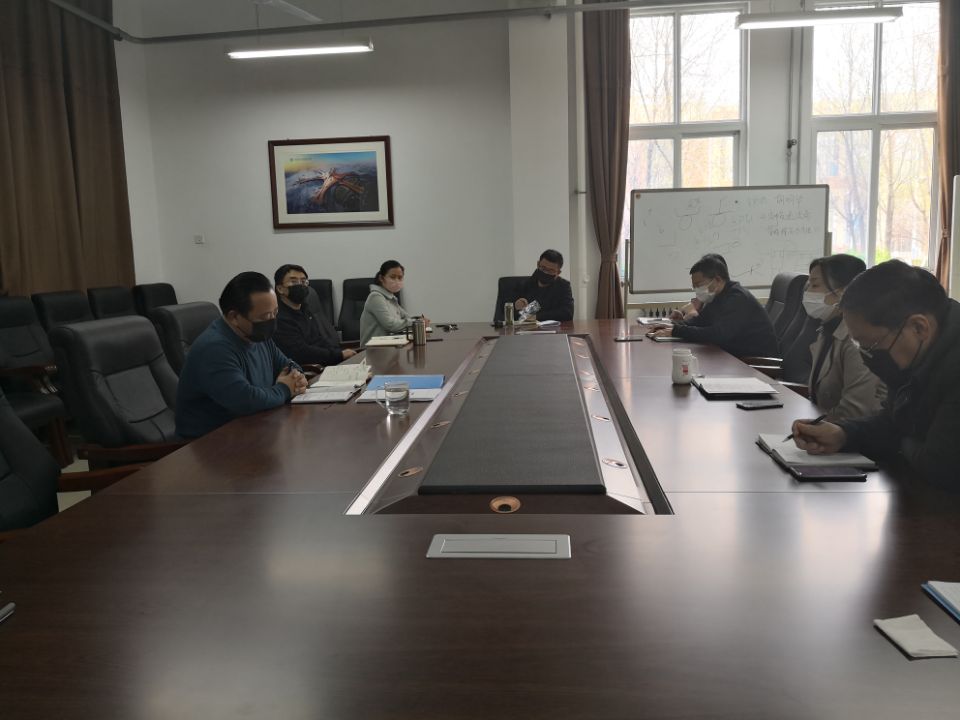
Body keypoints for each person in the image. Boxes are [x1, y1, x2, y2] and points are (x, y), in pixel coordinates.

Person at [792, 260, 960, 487]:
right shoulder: (915, 355)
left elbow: (940, 465)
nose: (868, 356)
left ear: (919, 327)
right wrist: (843, 435)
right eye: (859, 345)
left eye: (872, 345)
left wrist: (898, 438)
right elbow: (892, 421)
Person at [176, 271, 308, 439]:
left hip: (253, 428)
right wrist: (284, 388)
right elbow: (247, 400)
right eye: (266, 316)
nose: (272, 321)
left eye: (275, 313)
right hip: (209, 443)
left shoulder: (258, 336)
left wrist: (297, 377)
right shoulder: (214, 349)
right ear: (234, 317)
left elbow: (288, 366)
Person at [803, 254, 885, 421]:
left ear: (843, 292)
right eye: (808, 285)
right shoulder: (828, 328)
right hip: (825, 424)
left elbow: (855, 411)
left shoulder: (858, 339)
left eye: (815, 285)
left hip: (850, 432)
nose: (807, 292)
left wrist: (815, 427)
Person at [651, 255, 778, 357]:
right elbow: (700, 321)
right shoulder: (718, 296)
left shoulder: (738, 298)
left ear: (717, 280)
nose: (697, 290)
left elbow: (718, 334)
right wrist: (673, 325)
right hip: (733, 358)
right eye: (694, 287)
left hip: (756, 364)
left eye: (699, 285)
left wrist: (677, 330)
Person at [272, 263, 357, 367]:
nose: (300, 285)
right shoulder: (279, 318)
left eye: (303, 281)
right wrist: (338, 355)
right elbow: (301, 352)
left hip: (324, 362)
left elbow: (318, 339)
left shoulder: (305, 309)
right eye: (294, 281)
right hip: (306, 370)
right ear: (280, 288)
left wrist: (338, 352)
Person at [493, 249, 574, 323]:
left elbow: (567, 313)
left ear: (558, 273)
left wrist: (536, 316)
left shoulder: (563, 286)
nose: (546, 272)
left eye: (551, 271)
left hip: (553, 331)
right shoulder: (524, 285)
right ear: (538, 264)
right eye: (543, 268)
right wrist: (515, 306)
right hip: (524, 331)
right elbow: (507, 312)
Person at [360, 260, 429, 346]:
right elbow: (390, 325)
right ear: (381, 278)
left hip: (389, 345)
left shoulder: (391, 298)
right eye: (393, 277)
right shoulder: (375, 297)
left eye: (400, 278)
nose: (397, 280)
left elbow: (406, 317)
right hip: (373, 349)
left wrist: (418, 320)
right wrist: (416, 323)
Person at [668, 253, 727, 322]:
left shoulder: (728, 303)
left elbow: (711, 327)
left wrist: (693, 314)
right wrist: (682, 319)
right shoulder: (703, 300)